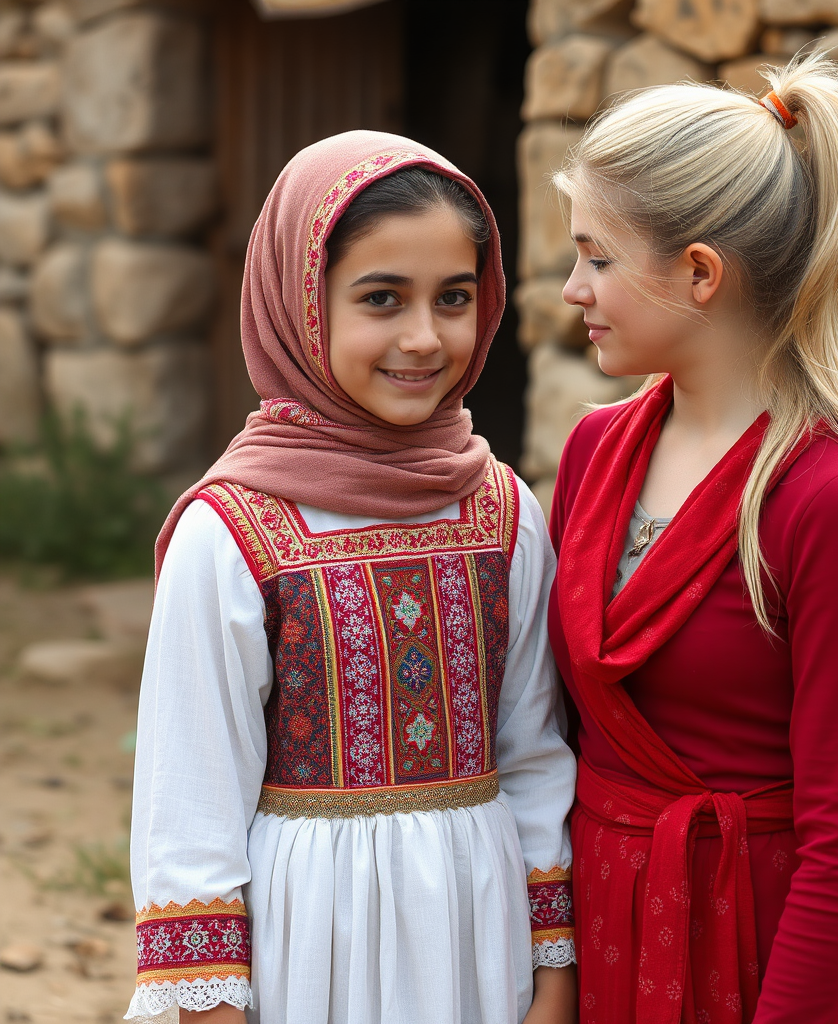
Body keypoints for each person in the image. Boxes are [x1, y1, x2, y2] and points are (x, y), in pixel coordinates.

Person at [126, 131, 576, 1024]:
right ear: (300, 303)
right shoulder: (234, 532)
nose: (424, 337)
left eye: (454, 298)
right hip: (307, 948)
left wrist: (552, 975)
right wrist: (212, 1007)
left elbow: (533, 754)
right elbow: (190, 808)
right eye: (381, 298)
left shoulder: (502, 511)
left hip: (478, 941)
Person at [547, 56, 838, 1024]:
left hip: (763, 958)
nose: (571, 289)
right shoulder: (594, 450)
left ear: (697, 273)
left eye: (597, 257)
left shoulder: (833, 503)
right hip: (603, 935)